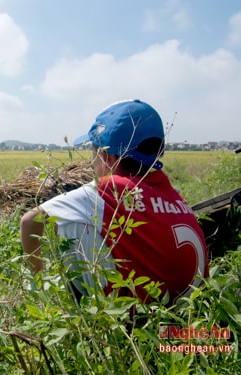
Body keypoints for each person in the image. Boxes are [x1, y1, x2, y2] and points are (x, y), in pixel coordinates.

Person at [20, 99, 208, 305]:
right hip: (189, 310)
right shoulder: (173, 193)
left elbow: (29, 221)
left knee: (67, 222)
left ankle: (69, 304)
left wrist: (38, 282)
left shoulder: (106, 190)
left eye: (93, 153)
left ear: (107, 157)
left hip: (136, 318)